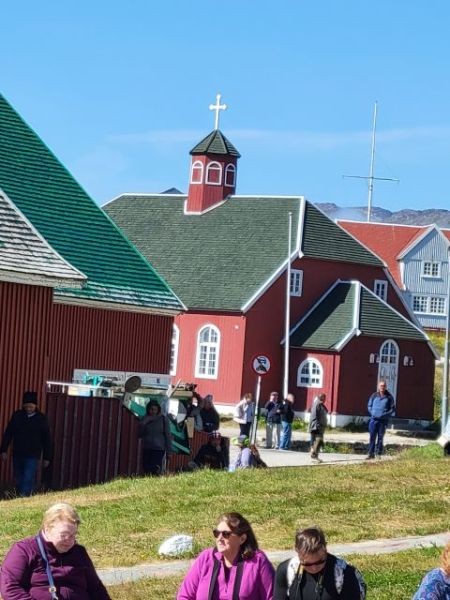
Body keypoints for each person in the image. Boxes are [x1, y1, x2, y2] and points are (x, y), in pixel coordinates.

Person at [0, 502, 111, 600]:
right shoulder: (24, 550)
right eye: (64, 535)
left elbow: (96, 589)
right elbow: (9, 587)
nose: (69, 540)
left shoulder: (79, 552)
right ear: (47, 528)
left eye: (73, 535)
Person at [177, 511, 274, 600]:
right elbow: (185, 596)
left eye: (226, 534)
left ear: (242, 539)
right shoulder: (206, 558)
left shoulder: (257, 561)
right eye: (217, 533)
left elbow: (273, 597)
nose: (219, 538)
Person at [274, 526, 366, 600]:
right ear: (297, 551)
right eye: (307, 564)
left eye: (320, 561)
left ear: (325, 548)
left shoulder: (344, 573)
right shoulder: (286, 570)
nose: (314, 568)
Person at [0, 391, 52, 496]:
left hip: (33, 455)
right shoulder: (17, 416)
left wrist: (47, 457)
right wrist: (3, 449)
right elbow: (9, 433)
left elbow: (47, 439)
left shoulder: (41, 419)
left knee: (28, 477)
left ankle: (24, 497)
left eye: (31, 407)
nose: (28, 409)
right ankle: (19, 495)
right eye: (26, 406)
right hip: (18, 452)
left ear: (35, 406)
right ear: (23, 405)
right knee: (18, 477)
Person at [138, 399, 172, 475]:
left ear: (158, 410)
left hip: (158, 449)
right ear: (148, 409)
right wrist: (143, 423)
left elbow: (168, 436)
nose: (153, 411)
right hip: (147, 448)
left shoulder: (163, 419)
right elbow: (140, 434)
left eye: (155, 409)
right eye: (151, 409)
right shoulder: (145, 418)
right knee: (146, 468)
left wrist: (169, 451)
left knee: (154, 468)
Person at [367, 380, 395, 459]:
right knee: (372, 437)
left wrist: (384, 415)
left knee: (380, 437)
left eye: (383, 386)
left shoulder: (389, 397)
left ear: (386, 387)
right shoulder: (374, 395)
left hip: (383, 421)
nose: (382, 387)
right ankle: (370, 453)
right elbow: (369, 405)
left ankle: (378, 453)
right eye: (381, 386)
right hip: (373, 420)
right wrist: (372, 413)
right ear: (379, 387)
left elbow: (392, 409)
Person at [309, 394, 328, 462]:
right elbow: (314, 416)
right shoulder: (317, 404)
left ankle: (315, 455)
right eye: (324, 398)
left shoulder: (320, 405)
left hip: (320, 426)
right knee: (319, 441)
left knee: (318, 442)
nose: (325, 399)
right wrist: (316, 425)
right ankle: (314, 455)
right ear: (321, 398)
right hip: (317, 426)